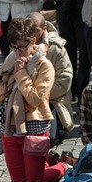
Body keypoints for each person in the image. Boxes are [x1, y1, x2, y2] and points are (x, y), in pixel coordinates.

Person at [0, 17, 68, 182]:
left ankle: (62, 166)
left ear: (33, 41)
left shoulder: (44, 65)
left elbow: (34, 99)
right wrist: (6, 77)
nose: (17, 52)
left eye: (22, 47)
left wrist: (22, 74)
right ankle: (44, 162)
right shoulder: (10, 61)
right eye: (13, 47)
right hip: (9, 129)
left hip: (34, 128)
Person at [27, 12, 74, 146]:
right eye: (28, 31)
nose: (32, 35)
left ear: (44, 29)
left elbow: (64, 80)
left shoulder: (56, 48)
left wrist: (39, 95)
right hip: (28, 97)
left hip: (52, 99)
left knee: (49, 137)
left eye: (35, 31)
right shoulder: (21, 47)